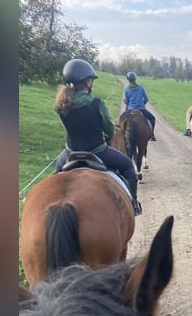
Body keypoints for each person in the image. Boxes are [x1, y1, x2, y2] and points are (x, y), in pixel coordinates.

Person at [53, 58, 142, 216]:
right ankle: (134, 204)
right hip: (98, 151)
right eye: (91, 79)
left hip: (70, 152)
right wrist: (105, 132)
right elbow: (109, 129)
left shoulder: (62, 104)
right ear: (86, 81)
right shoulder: (97, 103)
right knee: (128, 166)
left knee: (55, 176)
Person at [121, 72, 157, 141]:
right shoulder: (141, 87)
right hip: (141, 109)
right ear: (135, 79)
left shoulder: (126, 89)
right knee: (152, 119)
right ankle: (152, 134)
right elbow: (146, 99)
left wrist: (126, 102)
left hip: (130, 110)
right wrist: (142, 104)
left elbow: (127, 102)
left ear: (128, 80)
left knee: (121, 118)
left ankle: (121, 134)